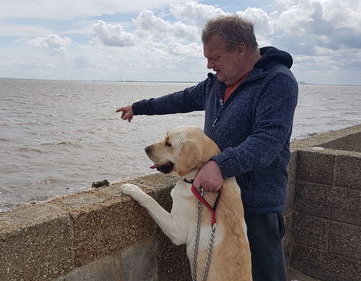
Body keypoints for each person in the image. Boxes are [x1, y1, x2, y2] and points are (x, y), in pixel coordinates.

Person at [116, 15, 298, 281]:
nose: (209, 65)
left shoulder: (277, 81)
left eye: (215, 58)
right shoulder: (217, 83)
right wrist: (140, 107)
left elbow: (268, 140)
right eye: (207, 58)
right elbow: (182, 99)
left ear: (240, 50)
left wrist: (219, 164)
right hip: (215, 198)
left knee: (264, 275)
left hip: (255, 203)